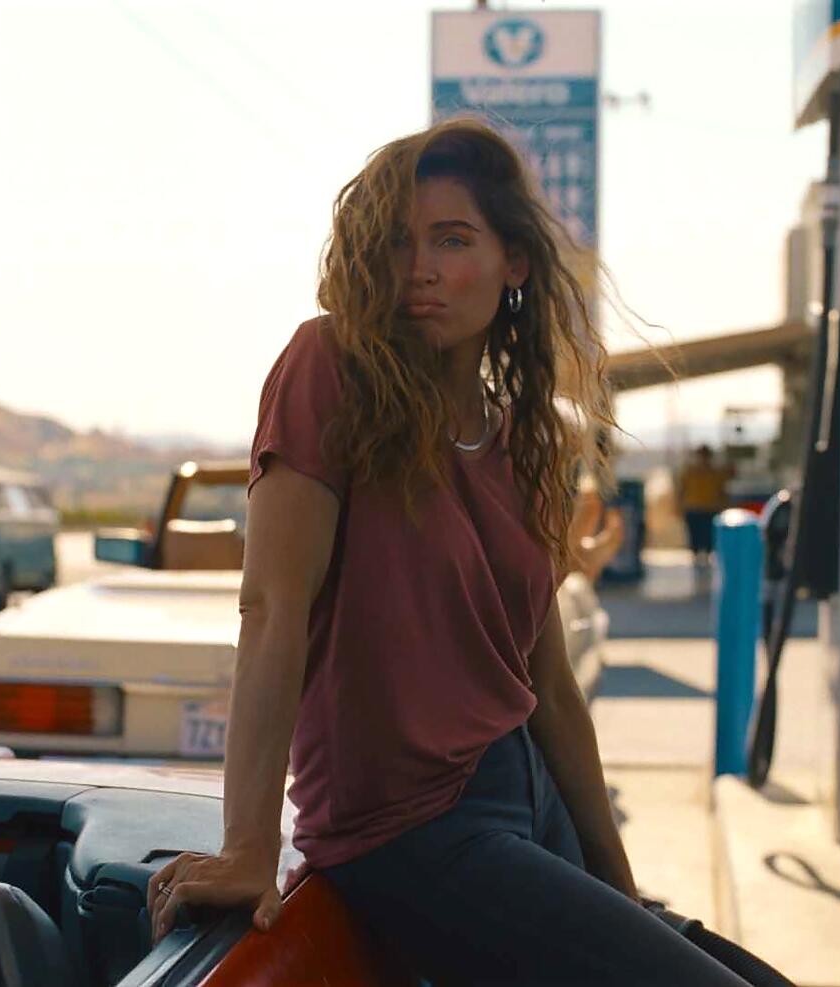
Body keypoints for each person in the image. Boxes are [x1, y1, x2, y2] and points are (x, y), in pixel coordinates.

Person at [146, 120, 752, 985]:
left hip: (528, 792)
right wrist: (248, 842)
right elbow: (271, 607)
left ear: (516, 264)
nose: (418, 268)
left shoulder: (519, 442)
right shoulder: (327, 367)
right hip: (413, 829)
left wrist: (617, 887)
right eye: (399, 242)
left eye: (452, 240)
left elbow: (550, 686)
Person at [678, 445, 733, 567]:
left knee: (708, 535)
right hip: (693, 508)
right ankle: (696, 556)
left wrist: (724, 507)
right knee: (694, 534)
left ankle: (707, 556)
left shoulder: (715, 473)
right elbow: (682, 489)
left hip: (710, 508)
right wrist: (680, 506)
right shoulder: (690, 471)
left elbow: (722, 491)